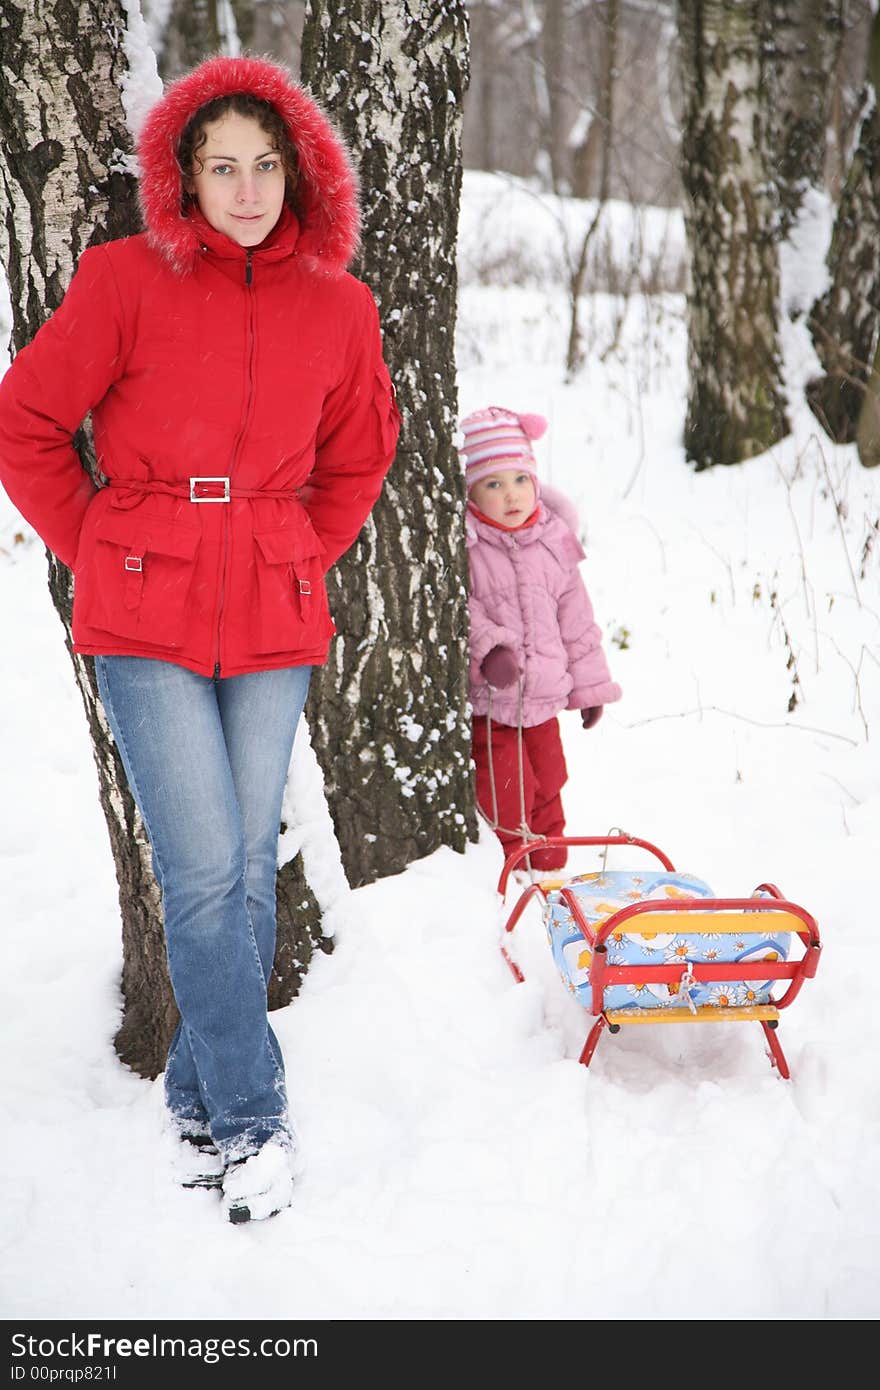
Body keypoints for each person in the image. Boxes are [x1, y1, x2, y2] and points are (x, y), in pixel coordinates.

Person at [0, 56, 400, 1223]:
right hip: (146, 604)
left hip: (272, 605)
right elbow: (26, 420)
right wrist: (100, 537)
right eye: (220, 165)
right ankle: (252, 1117)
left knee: (248, 871)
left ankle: (194, 1086)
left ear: (300, 174)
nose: (244, 188)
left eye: (265, 165)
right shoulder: (123, 280)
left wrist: (293, 547)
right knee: (205, 869)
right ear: (182, 176)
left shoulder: (343, 305)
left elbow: (361, 453)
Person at [461, 406, 621, 873]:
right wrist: (489, 648)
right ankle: (512, 875)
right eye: (492, 484)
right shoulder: (467, 545)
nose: (511, 495)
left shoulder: (553, 542)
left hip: (545, 703)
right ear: (470, 493)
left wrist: (590, 688)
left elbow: (578, 623)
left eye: (520, 480)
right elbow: (458, 608)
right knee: (505, 792)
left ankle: (551, 870)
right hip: (493, 708)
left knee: (550, 780)